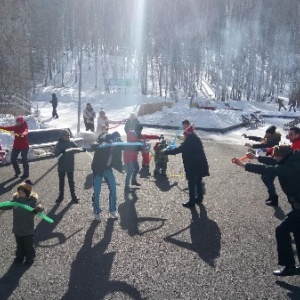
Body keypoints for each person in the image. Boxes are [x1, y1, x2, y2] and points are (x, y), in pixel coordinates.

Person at [233, 146, 300, 277]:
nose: (273, 157)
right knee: (298, 233)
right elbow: (273, 161)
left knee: (282, 230)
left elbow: (269, 169)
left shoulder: (290, 166)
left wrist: (243, 165)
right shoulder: (292, 159)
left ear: (282, 156)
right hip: (297, 205)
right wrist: (256, 157)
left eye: (275, 155)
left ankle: (289, 266)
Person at [164, 125, 209, 208]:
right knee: (198, 182)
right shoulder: (196, 139)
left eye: (185, 135)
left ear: (187, 135)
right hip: (200, 164)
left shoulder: (188, 142)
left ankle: (191, 202)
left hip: (192, 166)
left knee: (191, 183)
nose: (184, 136)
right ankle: (199, 198)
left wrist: (166, 152)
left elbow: (178, 150)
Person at [0, 180, 43, 265]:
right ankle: (19, 257)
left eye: (22, 192)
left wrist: (38, 208)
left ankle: (30, 258)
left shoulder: (31, 203)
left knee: (28, 245)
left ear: (27, 193)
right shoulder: (15, 201)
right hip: (17, 229)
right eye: (19, 192)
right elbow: (7, 205)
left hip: (28, 230)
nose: (20, 194)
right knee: (19, 245)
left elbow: (40, 208)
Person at [91, 133, 123, 221]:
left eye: (118, 140)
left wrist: (142, 146)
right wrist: (100, 144)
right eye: (115, 140)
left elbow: (129, 146)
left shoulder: (118, 145)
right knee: (97, 191)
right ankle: (96, 211)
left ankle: (113, 210)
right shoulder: (103, 142)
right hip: (98, 170)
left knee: (113, 188)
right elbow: (93, 145)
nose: (116, 141)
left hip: (108, 169)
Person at [54, 129, 83, 203]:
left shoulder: (71, 142)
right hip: (62, 166)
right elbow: (56, 153)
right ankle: (61, 196)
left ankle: (73, 196)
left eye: (68, 136)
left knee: (71, 182)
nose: (67, 137)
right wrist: (61, 152)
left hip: (70, 165)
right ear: (61, 137)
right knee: (61, 182)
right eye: (65, 136)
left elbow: (77, 148)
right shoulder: (59, 144)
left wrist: (82, 149)